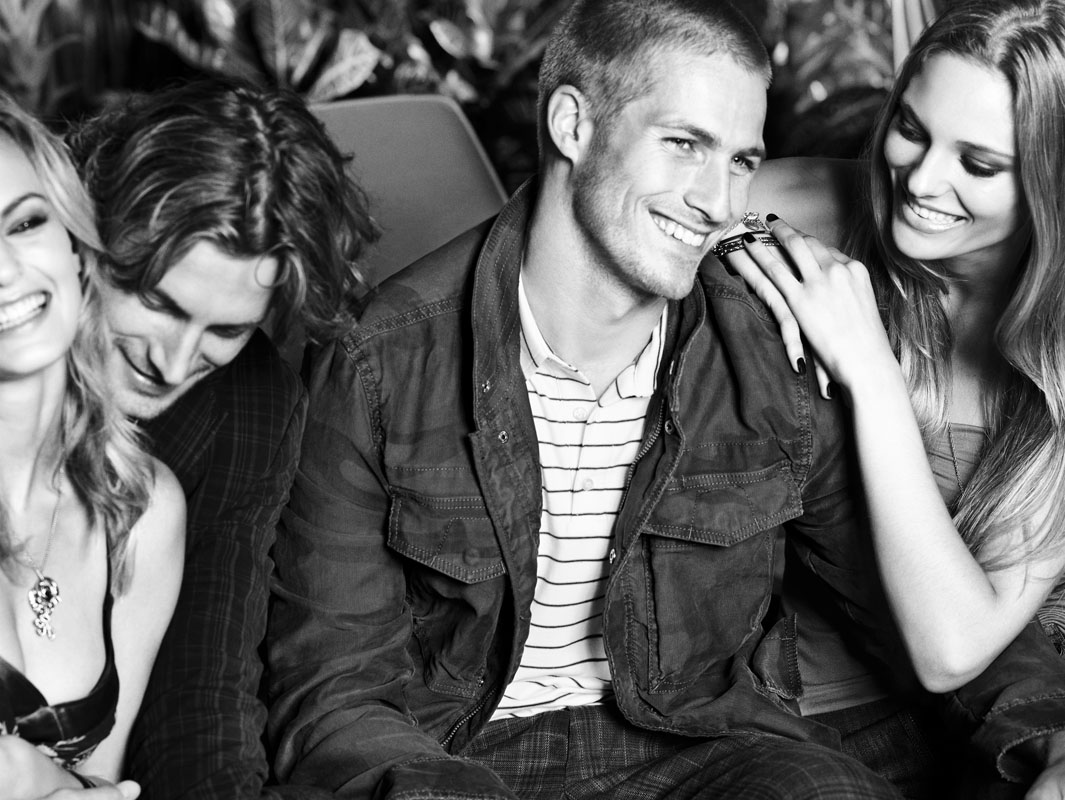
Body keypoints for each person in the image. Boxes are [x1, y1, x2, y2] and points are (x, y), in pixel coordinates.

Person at [265, 1, 1065, 798]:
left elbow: (901, 593)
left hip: (698, 739)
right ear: (572, 125)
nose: (715, 200)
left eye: (740, 161)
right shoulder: (379, 363)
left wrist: (1049, 735)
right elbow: (334, 689)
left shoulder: (764, 342)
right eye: (684, 144)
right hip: (465, 753)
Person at [721, 0, 1065, 793]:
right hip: (769, 702)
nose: (920, 178)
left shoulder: (1053, 356)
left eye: (978, 164)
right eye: (910, 128)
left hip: (971, 707)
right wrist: (720, 243)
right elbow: (570, 229)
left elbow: (952, 650)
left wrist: (870, 372)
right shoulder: (800, 209)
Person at [65, 78, 376, 799]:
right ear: (90, 237)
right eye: (159, 302)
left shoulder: (249, 407)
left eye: (227, 329)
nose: (174, 364)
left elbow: (202, 685)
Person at [0, 92, 185, 797]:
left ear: (76, 248)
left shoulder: (141, 507)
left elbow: (103, 785)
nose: (5, 268)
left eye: (24, 223)